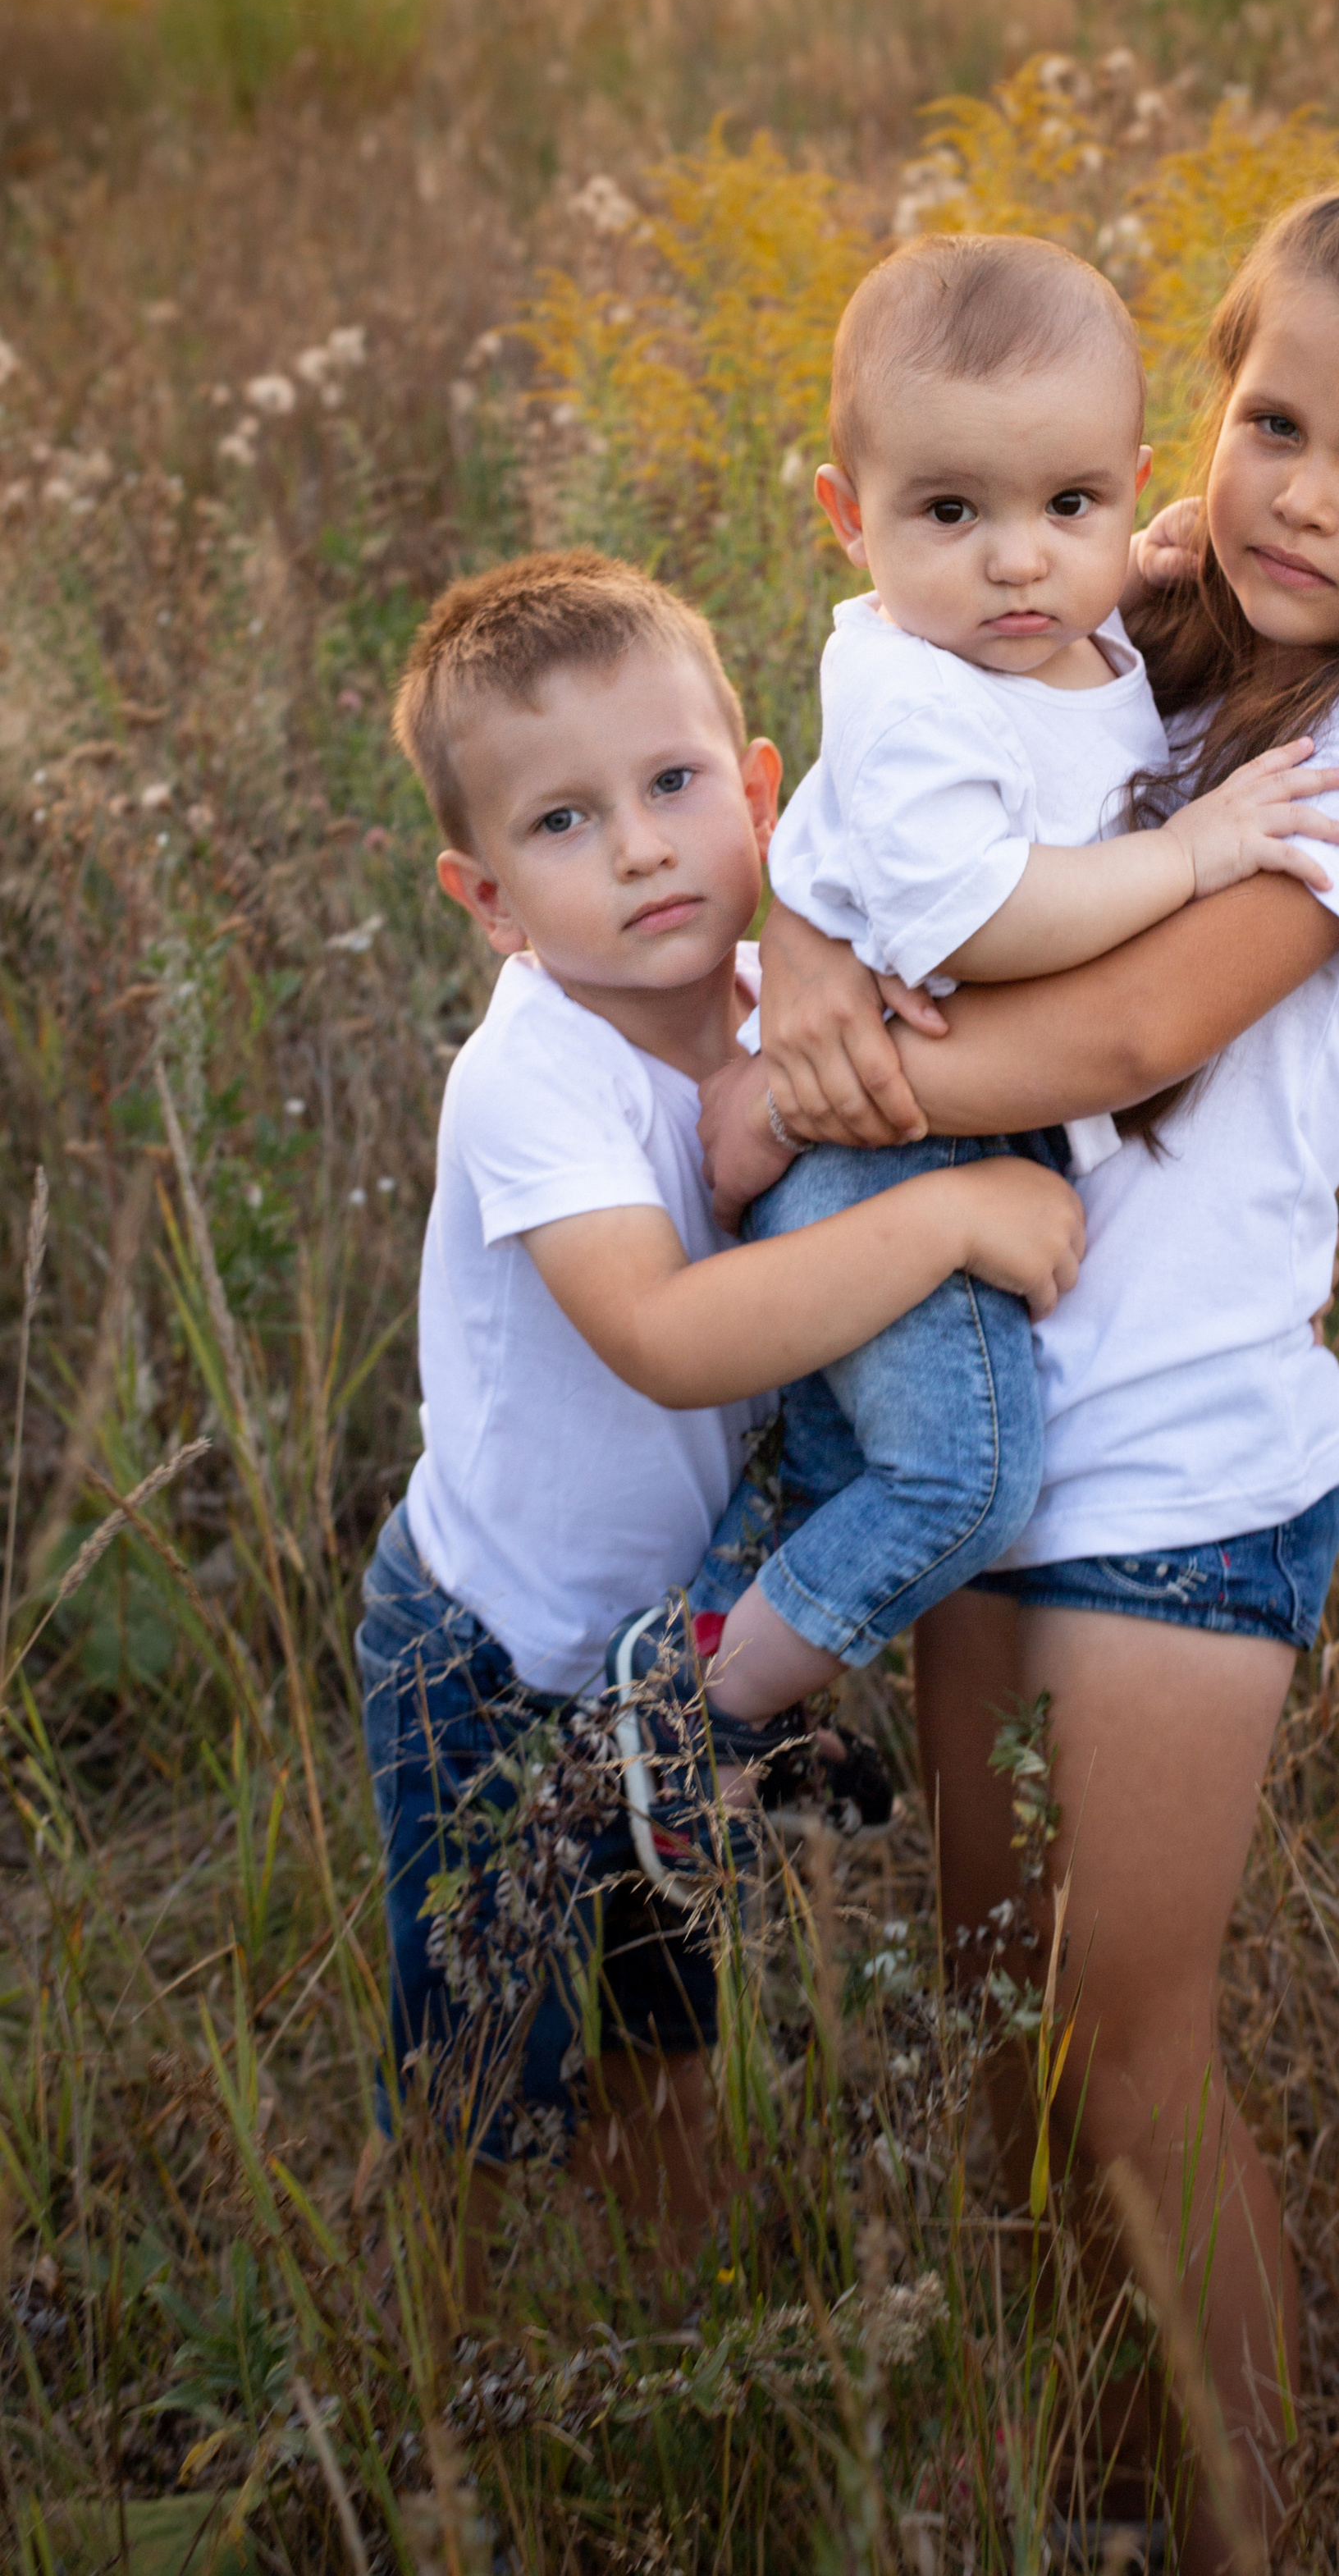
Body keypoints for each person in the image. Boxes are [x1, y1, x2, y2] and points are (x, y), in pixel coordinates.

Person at [706, 176, 1339, 2565]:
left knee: (1130, 2064)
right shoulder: (1148, 636)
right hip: (993, 1434)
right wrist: (808, 939)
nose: (1304, 491)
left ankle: (1264, 2526)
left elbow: (1132, 1018)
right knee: (996, 2008)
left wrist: (808, 1073)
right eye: (1272, 422)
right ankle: (1088, 2495)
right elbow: (888, 786)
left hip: (1181, 1473)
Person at [354, 547, 1082, 2276]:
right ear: (487, 901)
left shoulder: (768, 1005)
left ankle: (674, 2323)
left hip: (672, 1663)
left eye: (673, 784)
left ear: (757, 791)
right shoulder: (532, 1080)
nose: (636, 847)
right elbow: (672, 1339)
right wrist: (952, 1219)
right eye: (560, 825)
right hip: (492, 1653)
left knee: (665, 2032)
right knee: (486, 2070)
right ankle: (432, 2380)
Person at [612, 231, 1339, 1819]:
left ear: (1131, 484)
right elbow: (981, 918)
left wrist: (1151, 563)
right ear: (846, 516)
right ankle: (693, 1723)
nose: (1019, 562)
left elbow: (1090, 672)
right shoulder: (911, 693)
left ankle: (718, 1649)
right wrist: (1201, 851)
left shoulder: (1058, 633)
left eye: (1067, 506)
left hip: (922, 1114)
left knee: (820, 1459)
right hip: (879, 1155)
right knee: (966, 1476)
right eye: (952, 514)